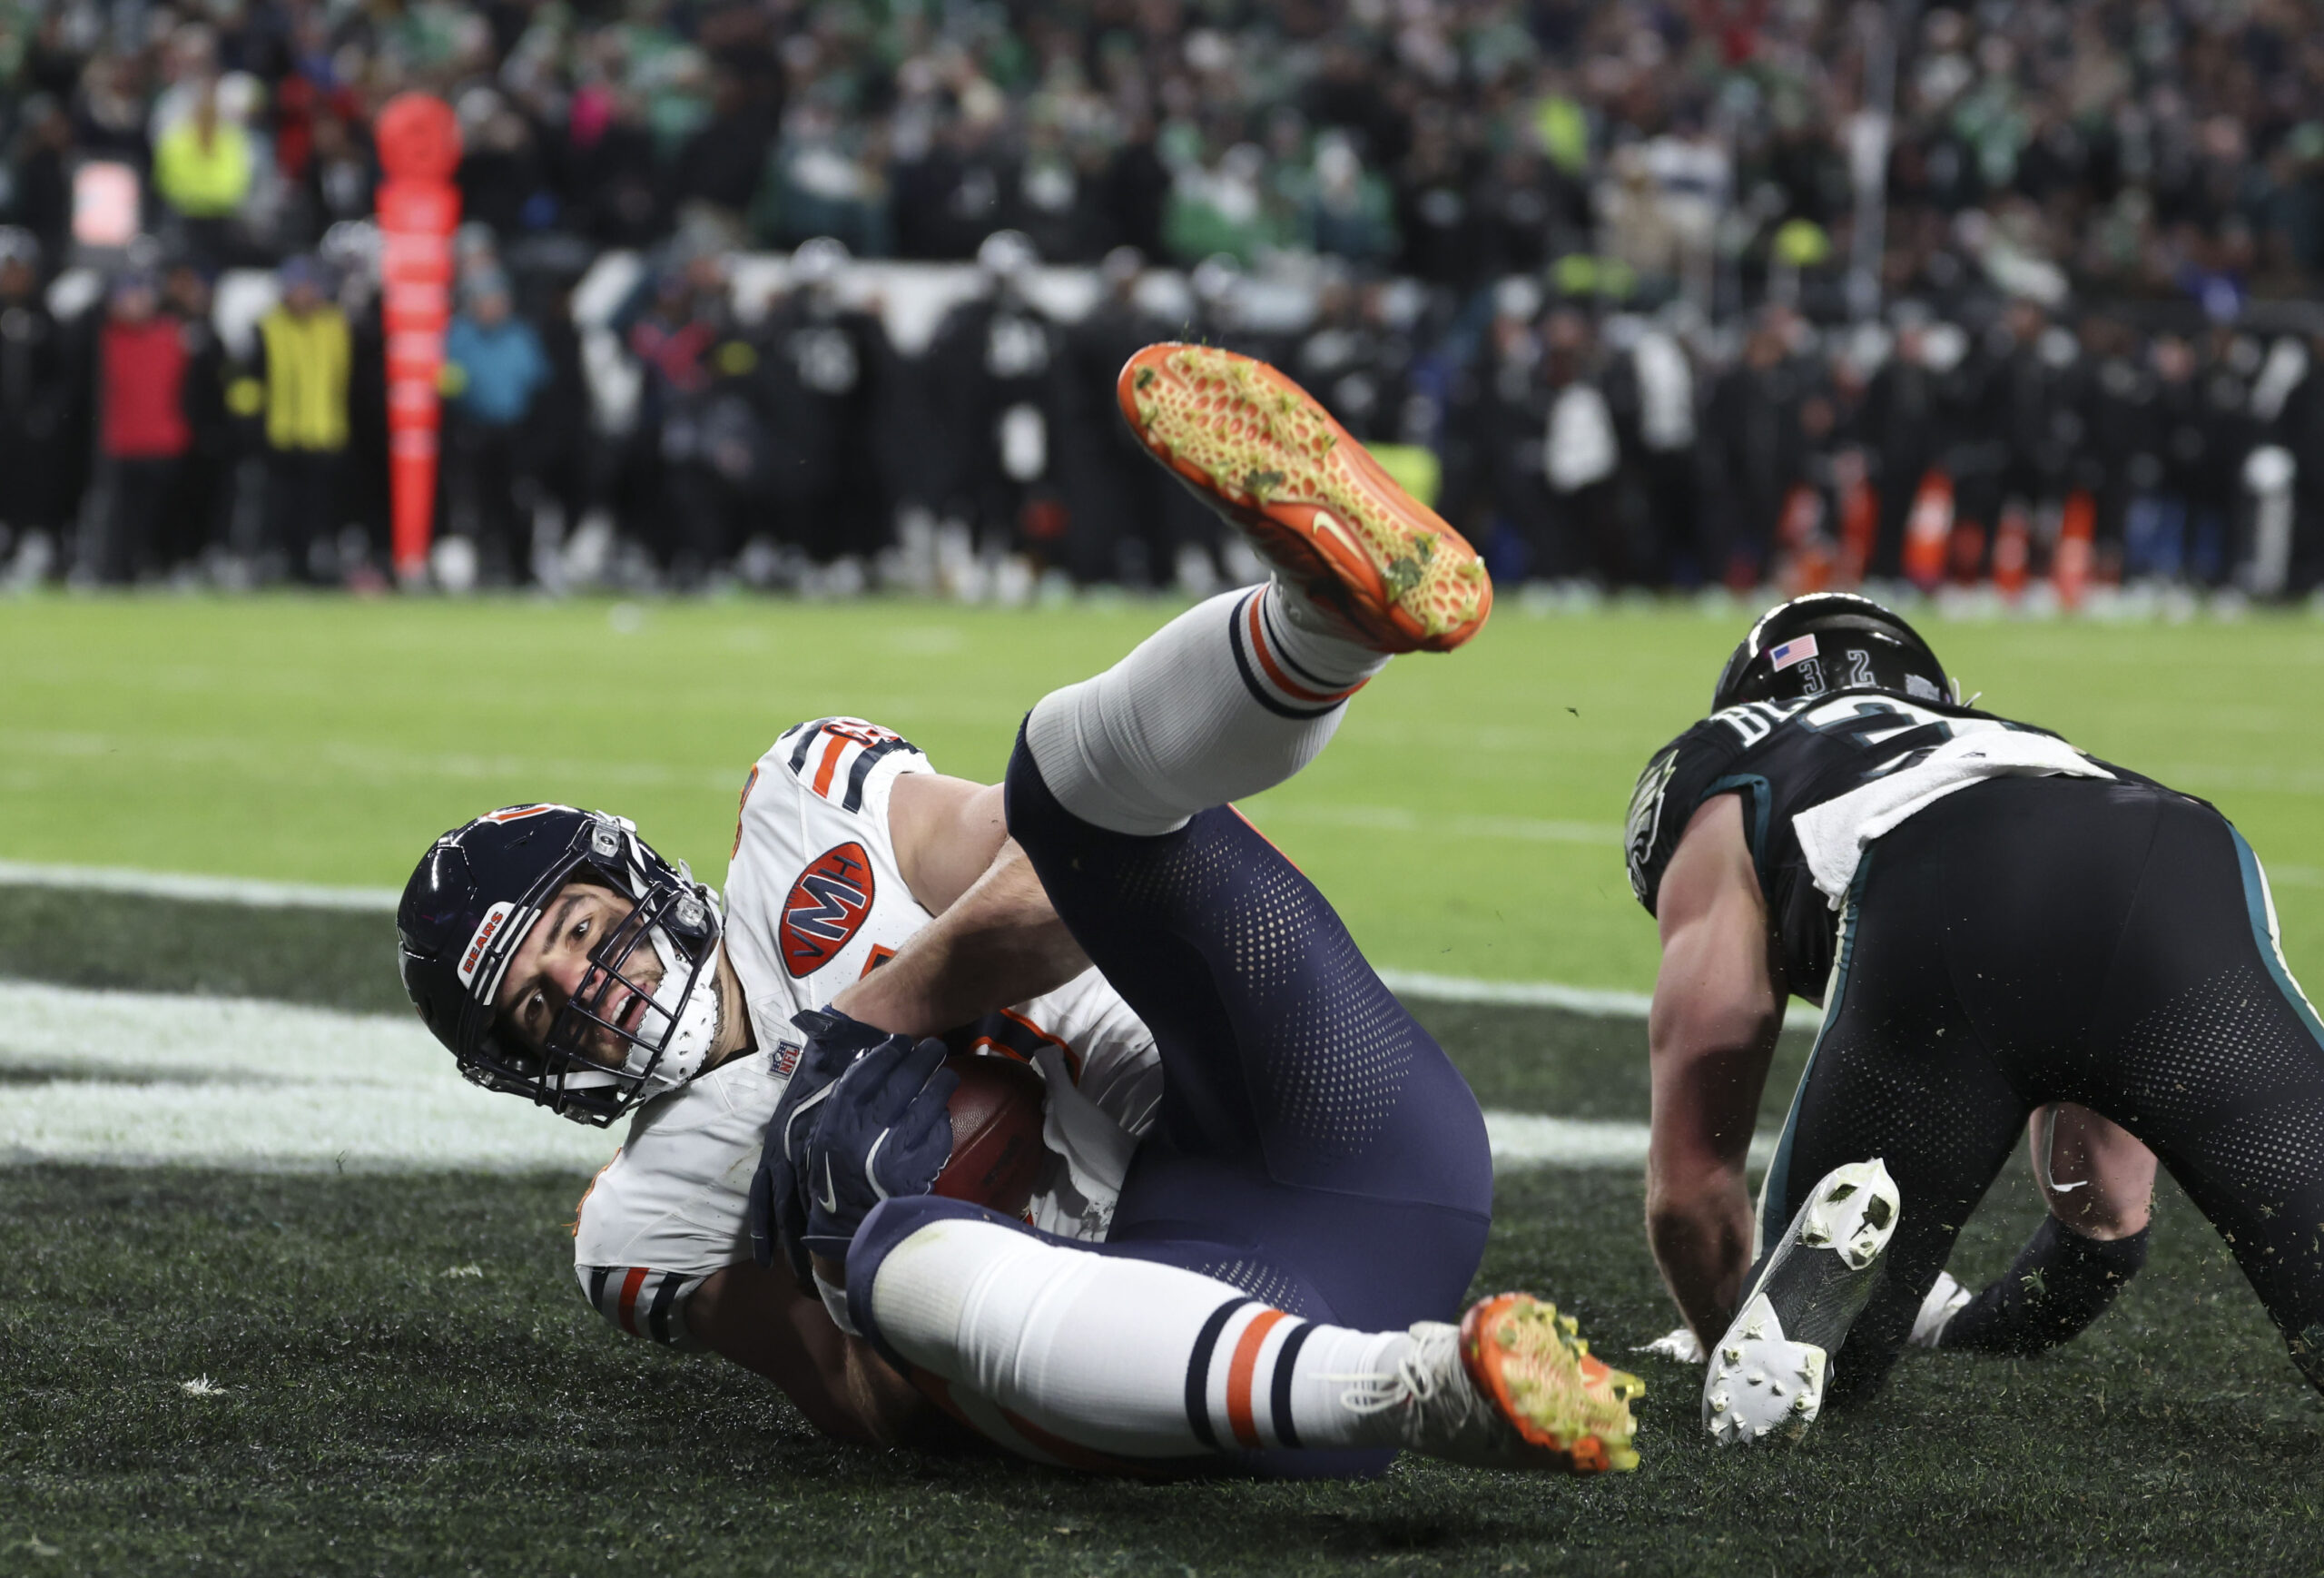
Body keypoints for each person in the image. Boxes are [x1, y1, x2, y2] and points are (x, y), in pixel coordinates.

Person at [397, 342, 1640, 1478]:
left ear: (628, 875)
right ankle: (1423, 1386)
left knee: (1060, 791)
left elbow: (1061, 878)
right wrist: (838, 1245)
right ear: (529, 1069)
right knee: (895, 1264)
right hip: (1188, 1332)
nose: (584, 987)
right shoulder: (642, 1220)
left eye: (573, 931)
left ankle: (1322, 626)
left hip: (1320, 1118)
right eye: (536, 1009)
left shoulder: (800, 809)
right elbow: (879, 1411)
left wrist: (874, 1019)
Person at [1627, 591, 2324, 1442]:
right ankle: (1921, 1318)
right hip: (2174, 853)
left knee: (1816, 1375)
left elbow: (1692, 1190)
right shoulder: (2008, 740)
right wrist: (2003, 1317)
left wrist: (1718, 1336)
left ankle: (1799, 1337)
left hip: (1943, 885)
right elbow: (2105, 1208)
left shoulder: (1735, 764)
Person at [253, 254, 351, 584]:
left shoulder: (336, 326)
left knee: (320, 510)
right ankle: (280, 564)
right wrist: (250, 424)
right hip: (281, 433)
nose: (304, 295)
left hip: (326, 432)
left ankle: (316, 565)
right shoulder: (268, 327)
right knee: (281, 509)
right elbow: (251, 383)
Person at [91, 271, 192, 583]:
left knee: (158, 516)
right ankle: (112, 571)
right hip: (119, 442)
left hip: (164, 441)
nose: (136, 304)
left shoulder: (172, 335)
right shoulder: (102, 338)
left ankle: (152, 567)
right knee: (118, 517)